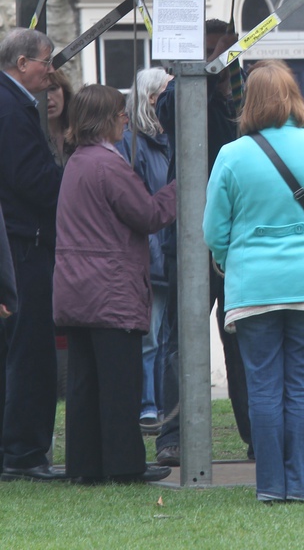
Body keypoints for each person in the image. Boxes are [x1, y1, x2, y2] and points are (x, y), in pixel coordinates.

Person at [204, 60, 304, 504]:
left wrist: (233, 259)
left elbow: (214, 229)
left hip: (253, 286)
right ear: (294, 98)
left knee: (263, 386)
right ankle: (303, 486)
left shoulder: (232, 154)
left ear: (249, 102)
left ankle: (270, 486)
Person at [53, 84, 176, 483]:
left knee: (85, 386)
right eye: (121, 113)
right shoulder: (108, 165)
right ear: (106, 119)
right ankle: (124, 466)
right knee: (120, 384)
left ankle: (85, 467)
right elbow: (148, 214)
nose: (126, 119)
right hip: (110, 291)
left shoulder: (77, 161)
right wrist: (182, 184)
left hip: (76, 289)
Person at [155, 19, 251, 468]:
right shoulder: (178, 92)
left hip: (235, 233)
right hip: (189, 236)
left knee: (243, 337)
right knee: (177, 339)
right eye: (216, 52)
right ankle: (172, 434)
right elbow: (179, 103)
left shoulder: (241, 92)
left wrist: (230, 62)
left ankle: (256, 431)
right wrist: (217, 58)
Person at [0, 28, 63, 481]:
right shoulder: (11, 106)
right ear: (22, 63)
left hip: (17, 237)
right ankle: (23, 452)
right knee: (29, 349)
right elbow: (29, 176)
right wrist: (71, 182)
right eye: (46, 60)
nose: (51, 69)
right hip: (23, 242)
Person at [120, 67, 173, 432]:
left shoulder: (172, 138)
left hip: (173, 251)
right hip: (153, 252)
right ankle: (148, 404)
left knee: (167, 336)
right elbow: (137, 203)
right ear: (154, 99)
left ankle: (161, 402)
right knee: (151, 337)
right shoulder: (132, 143)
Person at [47, 69, 74, 167]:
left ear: (64, 91)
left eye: (53, 88)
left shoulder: (81, 132)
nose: (47, 97)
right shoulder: (28, 137)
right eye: (41, 92)